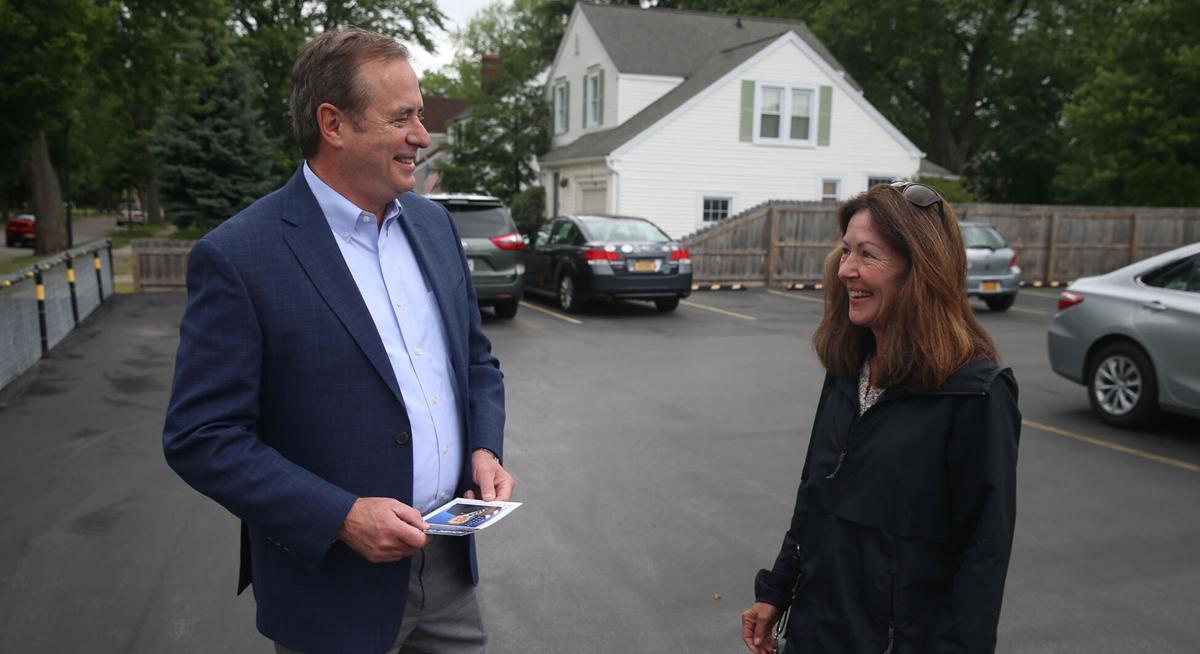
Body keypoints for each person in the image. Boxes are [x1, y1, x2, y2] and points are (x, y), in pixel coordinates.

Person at [163, 28, 514, 654]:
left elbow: (475, 361)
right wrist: (341, 517)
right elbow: (201, 437)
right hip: (332, 594)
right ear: (334, 124)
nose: (422, 136)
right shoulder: (241, 255)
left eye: (422, 114)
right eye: (402, 117)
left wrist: (484, 446)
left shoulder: (434, 226)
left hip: (451, 570)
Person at [740, 182, 1020, 654]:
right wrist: (777, 590)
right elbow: (814, 496)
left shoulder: (974, 395)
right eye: (846, 251)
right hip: (814, 635)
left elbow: (983, 559)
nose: (846, 269)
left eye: (868, 255)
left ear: (920, 271)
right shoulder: (847, 371)